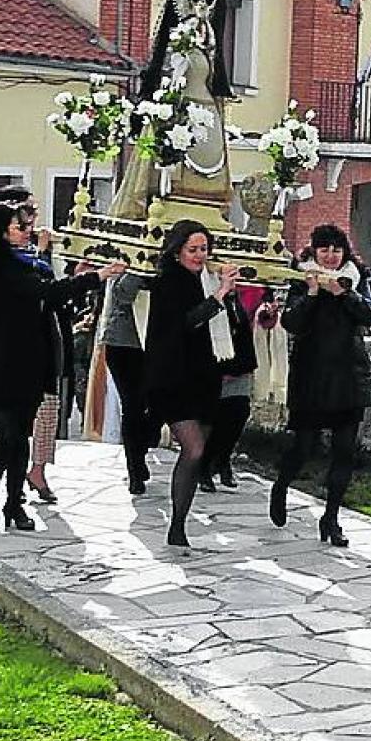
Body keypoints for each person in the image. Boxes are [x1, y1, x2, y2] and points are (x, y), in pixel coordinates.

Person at [0, 201, 119, 532]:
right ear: (3, 234)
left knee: (21, 436)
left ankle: (13, 503)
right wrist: (97, 277)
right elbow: (44, 292)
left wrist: (77, 276)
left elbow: (54, 295)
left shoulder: (30, 262)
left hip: (29, 361)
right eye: (20, 228)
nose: (28, 233)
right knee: (6, 433)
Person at [271, 224, 371, 549]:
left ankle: (331, 517)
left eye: (337, 250)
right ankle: (282, 484)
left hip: (349, 378)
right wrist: (311, 294)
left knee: (344, 452)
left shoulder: (355, 278)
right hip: (312, 377)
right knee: (303, 446)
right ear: (315, 251)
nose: (331, 256)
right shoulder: (302, 277)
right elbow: (290, 322)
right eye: (325, 250)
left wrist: (345, 295)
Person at [109, 0, 236, 216]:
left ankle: (207, 212)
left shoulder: (207, 42)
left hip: (207, 111)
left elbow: (212, 77)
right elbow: (170, 74)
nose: (203, 7)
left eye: (209, 1)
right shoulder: (180, 41)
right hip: (180, 108)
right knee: (170, 160)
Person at [144, 219, 238, 548]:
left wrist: (226, 294)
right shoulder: (169, 281)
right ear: (177, 251)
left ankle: (181, 520)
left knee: (199, 452)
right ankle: (177, 524)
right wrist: (218, 296)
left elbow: (227, 324)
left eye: (204, 249)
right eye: (193, 249)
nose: (199, 256)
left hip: (204, 375)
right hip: (174, 377)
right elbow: (186, 323)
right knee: (193, 446)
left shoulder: (206, 278)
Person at [0, 184, 75, 505]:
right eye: (25, 217)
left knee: (41, 418)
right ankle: (1, 490)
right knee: (11, 433)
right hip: (8, 356)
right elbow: (40, 288)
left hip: (41, 346)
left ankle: (26, 482)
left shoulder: (28, 254)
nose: (32, 223)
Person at [100, 271, 159, 493]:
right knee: (132, 407)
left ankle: (139, 449)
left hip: (157, 345)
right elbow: (122, 293)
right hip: (125, 344)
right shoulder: (130, 264)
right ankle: (134, 467)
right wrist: (142, 268)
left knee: (158, 403)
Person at [199, 281, 257, 493]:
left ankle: (222, 459)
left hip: (238, 363)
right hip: (211, 366)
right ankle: (205, 466)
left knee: (239, 413)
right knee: (214, 419)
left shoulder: (234, 298)